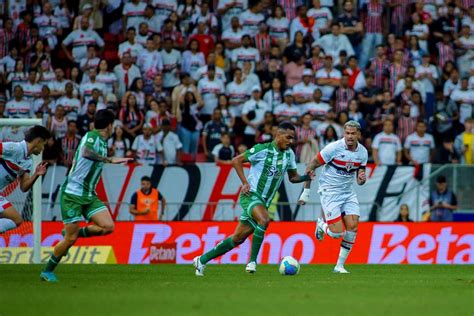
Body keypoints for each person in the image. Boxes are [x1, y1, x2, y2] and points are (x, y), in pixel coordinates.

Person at [193, 121, 312, 276]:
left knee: (237, 238)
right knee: (264, 220)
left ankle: (201, 260)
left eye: (293, 138)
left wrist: (305, 176)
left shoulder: (289, 154)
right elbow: (236, 160)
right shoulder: (262, 149)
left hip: (264, 202)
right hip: (251, 195)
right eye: (288, 137)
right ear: (278, 134)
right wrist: (244, 183)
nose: (291, 141)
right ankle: (252, 261)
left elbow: (293, 177)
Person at [41, 110, 132, 282]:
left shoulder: (103, 143)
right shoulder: (92, 136)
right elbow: (85, 152)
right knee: (70, 240)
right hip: (73, 194)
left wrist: (108, 157)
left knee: (108, 227)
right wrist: (109, 160)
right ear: (109, 125)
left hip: (89, 194)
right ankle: (47, 271)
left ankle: (75, 232)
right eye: (113, 124)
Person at [298, 120, 368, 273]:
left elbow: (359, 178)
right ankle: (321, 224)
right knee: (336, 234)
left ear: (359, 135)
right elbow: (311, 165)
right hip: (330, 191)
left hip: (348, 192)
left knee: (353, 227)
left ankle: (339, 266)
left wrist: (361, 179)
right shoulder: (333, 148)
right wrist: (306, 192)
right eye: (347, 133)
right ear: (344, 133)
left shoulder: (363, 152)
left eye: (353, 133)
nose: (349, 136)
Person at [0, 126, 50, 233]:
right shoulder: (14, 148)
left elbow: (23, 187)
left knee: (17, 220)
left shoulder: (28, 161)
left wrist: (36, 174)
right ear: (38, 141)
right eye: (44, 145)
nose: (43, 149)